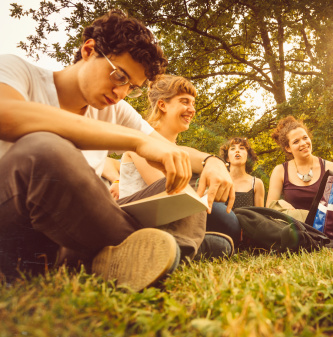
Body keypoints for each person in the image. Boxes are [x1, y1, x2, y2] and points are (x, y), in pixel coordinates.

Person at [0, 10, 233, 290]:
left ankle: (146, 260)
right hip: (19, 224)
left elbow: (168, 148)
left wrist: (211, 162)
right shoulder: (17, 70)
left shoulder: (114, 109)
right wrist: (136, 141)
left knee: (182, 186)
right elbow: (7, 115)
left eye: (131, 87)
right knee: (45, 148)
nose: (120, 93)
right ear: (88, 50)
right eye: (119, 75)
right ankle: (145, 251)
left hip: (77, 236)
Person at [118, 74, 240, 253]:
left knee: (225, 218)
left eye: (193, 103)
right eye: (185, 102)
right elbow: (168, 191)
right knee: (186, 184)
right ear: (162, 105)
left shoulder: (181, 150)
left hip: (172, 220)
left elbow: (203, 160)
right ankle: (177, 248)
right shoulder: (140, 139)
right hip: (141, 220)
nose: (191, 109)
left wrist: (215, 165)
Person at [266, 116, 333, 210]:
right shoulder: (280, 171)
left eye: (305, 138)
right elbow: (270, 207)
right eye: (296, 141)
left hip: (326, 224)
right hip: (294, 223)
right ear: (288, 148)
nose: (303, 143)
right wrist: (281, 204)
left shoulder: (331, 168)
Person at [219, 137, 265, 209]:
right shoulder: (219, 180)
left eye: (241, 148)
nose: (237, 151)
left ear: (247, 156)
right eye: (232, 149)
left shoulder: (257, 183)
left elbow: (261, 216)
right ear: (227, 158)